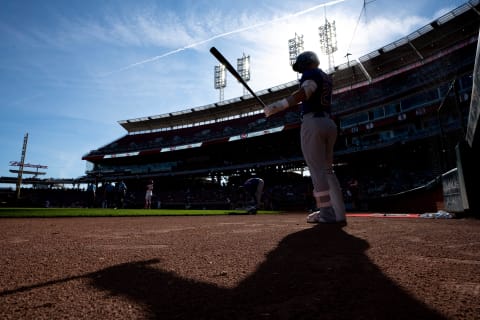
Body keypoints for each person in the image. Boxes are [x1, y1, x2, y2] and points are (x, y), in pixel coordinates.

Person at [264, 51, 346, 224]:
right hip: (329, 123)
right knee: (328, 171)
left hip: (313, 123)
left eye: (300, 68)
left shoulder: (310, 74)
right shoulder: (325, 76)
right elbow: (308, 90)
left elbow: (306, 91)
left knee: (317, 172)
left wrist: (279, 106)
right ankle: (339, 214)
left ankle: (326, 214)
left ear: (305, 63)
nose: (300, 71)